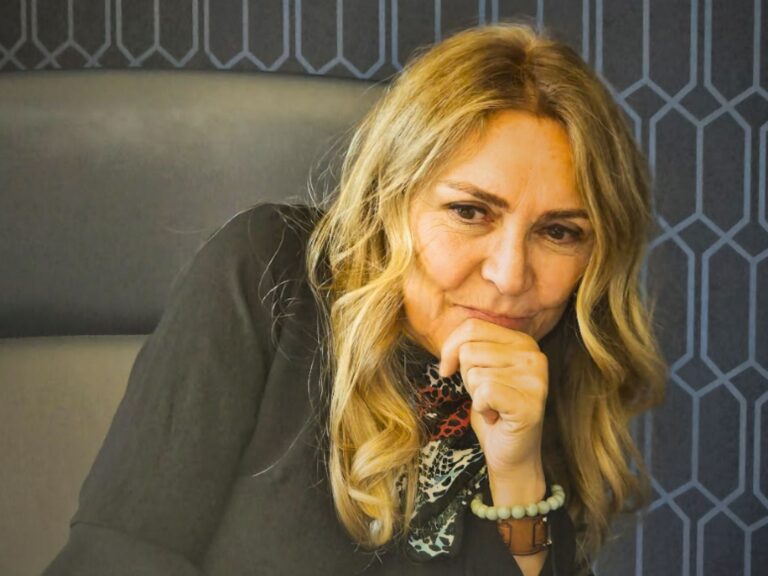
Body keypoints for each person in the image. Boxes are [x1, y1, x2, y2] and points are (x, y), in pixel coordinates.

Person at [44, 21, 667, 576]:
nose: (509, 276)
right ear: (389, 201)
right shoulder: (269, 272)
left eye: (559, 233)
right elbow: (119, 554)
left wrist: (518, 472)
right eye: (469, 212)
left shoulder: (557, 365)